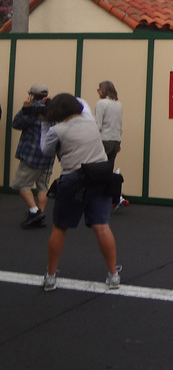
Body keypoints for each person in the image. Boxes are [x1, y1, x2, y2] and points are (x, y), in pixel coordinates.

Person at [40, 93, 121, 292]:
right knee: (102, 227)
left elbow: (46, 151)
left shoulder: (57, 130)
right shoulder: (90, 122)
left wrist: (44, 124)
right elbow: (82, 103)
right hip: (101, 176)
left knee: (60, 227)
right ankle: (113, 276)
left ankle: (50, 277)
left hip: (74, 181)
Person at [11, 84, 56, 228]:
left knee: (21, 184)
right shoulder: (52, 109)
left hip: (32, 155)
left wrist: (25, 109)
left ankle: (35, 211)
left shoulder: (32, 109)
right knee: (43, 186)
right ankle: (39, 214)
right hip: (48, 155)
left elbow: (16, 124)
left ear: (32, 95)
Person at [95, 80, 128, 209]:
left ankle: (98, 200)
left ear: (103, 90)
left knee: (97, 171)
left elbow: (98, 125)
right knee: (108, 171)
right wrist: (118, 142)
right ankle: (111, 198)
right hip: (115, 141)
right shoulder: (118, 104)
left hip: (103, 140)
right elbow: (119, 125)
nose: (98, 91)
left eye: (99, 89)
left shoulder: (101, 103)